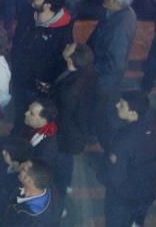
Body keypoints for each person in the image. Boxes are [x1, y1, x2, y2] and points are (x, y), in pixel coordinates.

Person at [101, 90, 156, 227]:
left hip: (123, 198)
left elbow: (116, 176)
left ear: (133, 113)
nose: (116, 105)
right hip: (147, 191)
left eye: (122, 105)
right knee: (137, 221)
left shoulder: (123, 140)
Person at [10, 0, 73, 112]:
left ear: (48, 5)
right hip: (20, 77)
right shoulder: (27, 13)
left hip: (37, 86)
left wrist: (47, 82)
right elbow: (18, 41)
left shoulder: (62, 33)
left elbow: (60, 62)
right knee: (19, 109)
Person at [88, 0, 137, 147]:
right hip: (101, 71)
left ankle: (93, 133)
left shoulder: (120, 29)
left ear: (118, 4)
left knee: (98, 107)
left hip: (104, 79)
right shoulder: (116, 13)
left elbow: (115, 63)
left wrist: (90, 68)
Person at [52, 42, 96, 196]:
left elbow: (63, 113)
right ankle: (67, 184)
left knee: (60, 163)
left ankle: (61, 195)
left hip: (66, 133)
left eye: (69, 47)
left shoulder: (70, 90)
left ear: (70, 60)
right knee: (66, 160)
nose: (67, 45)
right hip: (75, 130)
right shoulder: (86, 72)